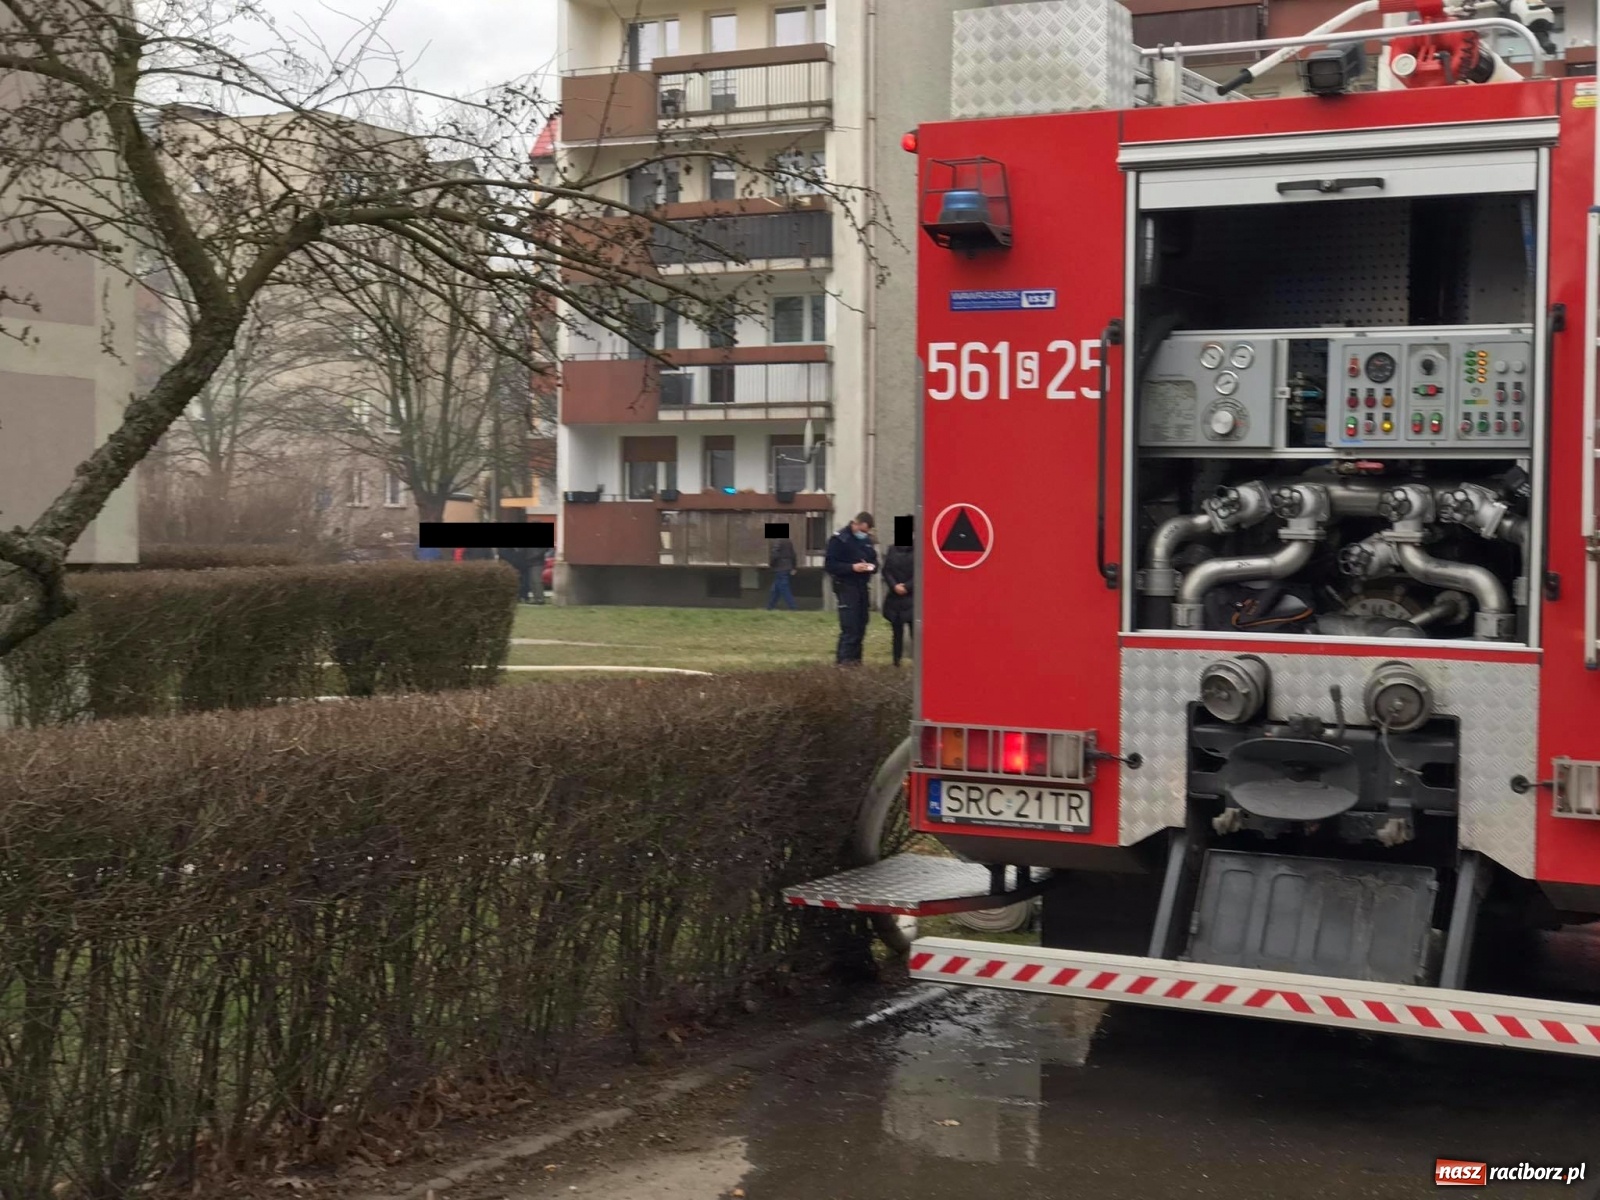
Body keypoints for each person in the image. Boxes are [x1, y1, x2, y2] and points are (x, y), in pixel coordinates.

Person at [825, 512, 878, 666]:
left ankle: (856, 664)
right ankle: (844, 664)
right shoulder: (839, 539)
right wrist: (852, 567)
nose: (865, 534)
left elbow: (875, 562)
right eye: (863, 530)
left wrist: (870, 566)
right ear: (855, 524)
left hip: (862, 587)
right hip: (846, 587)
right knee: (850, 628)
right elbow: (830, 565)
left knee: (861, 626)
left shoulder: (866, 541)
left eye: (867, 532)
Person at [880, 541, 914, 667]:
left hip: (912, 596)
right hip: (895, 597)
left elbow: (921, 571)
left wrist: (907, 586)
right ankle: (896, 661)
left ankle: (918, 661)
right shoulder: (892, 550)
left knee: (914, 632)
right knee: (896, 632)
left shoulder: (919, 551)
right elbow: (886, 571)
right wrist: (894, 586)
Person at [767, 535, 798, 611]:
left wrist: (771, 564)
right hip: (788, 566)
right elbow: (793, 554)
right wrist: (794, 566)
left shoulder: (777, 541)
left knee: (784, 588)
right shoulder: (788, 541)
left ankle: (793, 607)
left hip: (780, 567)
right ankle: (770, 607)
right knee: (776, 589)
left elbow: (774, 555)